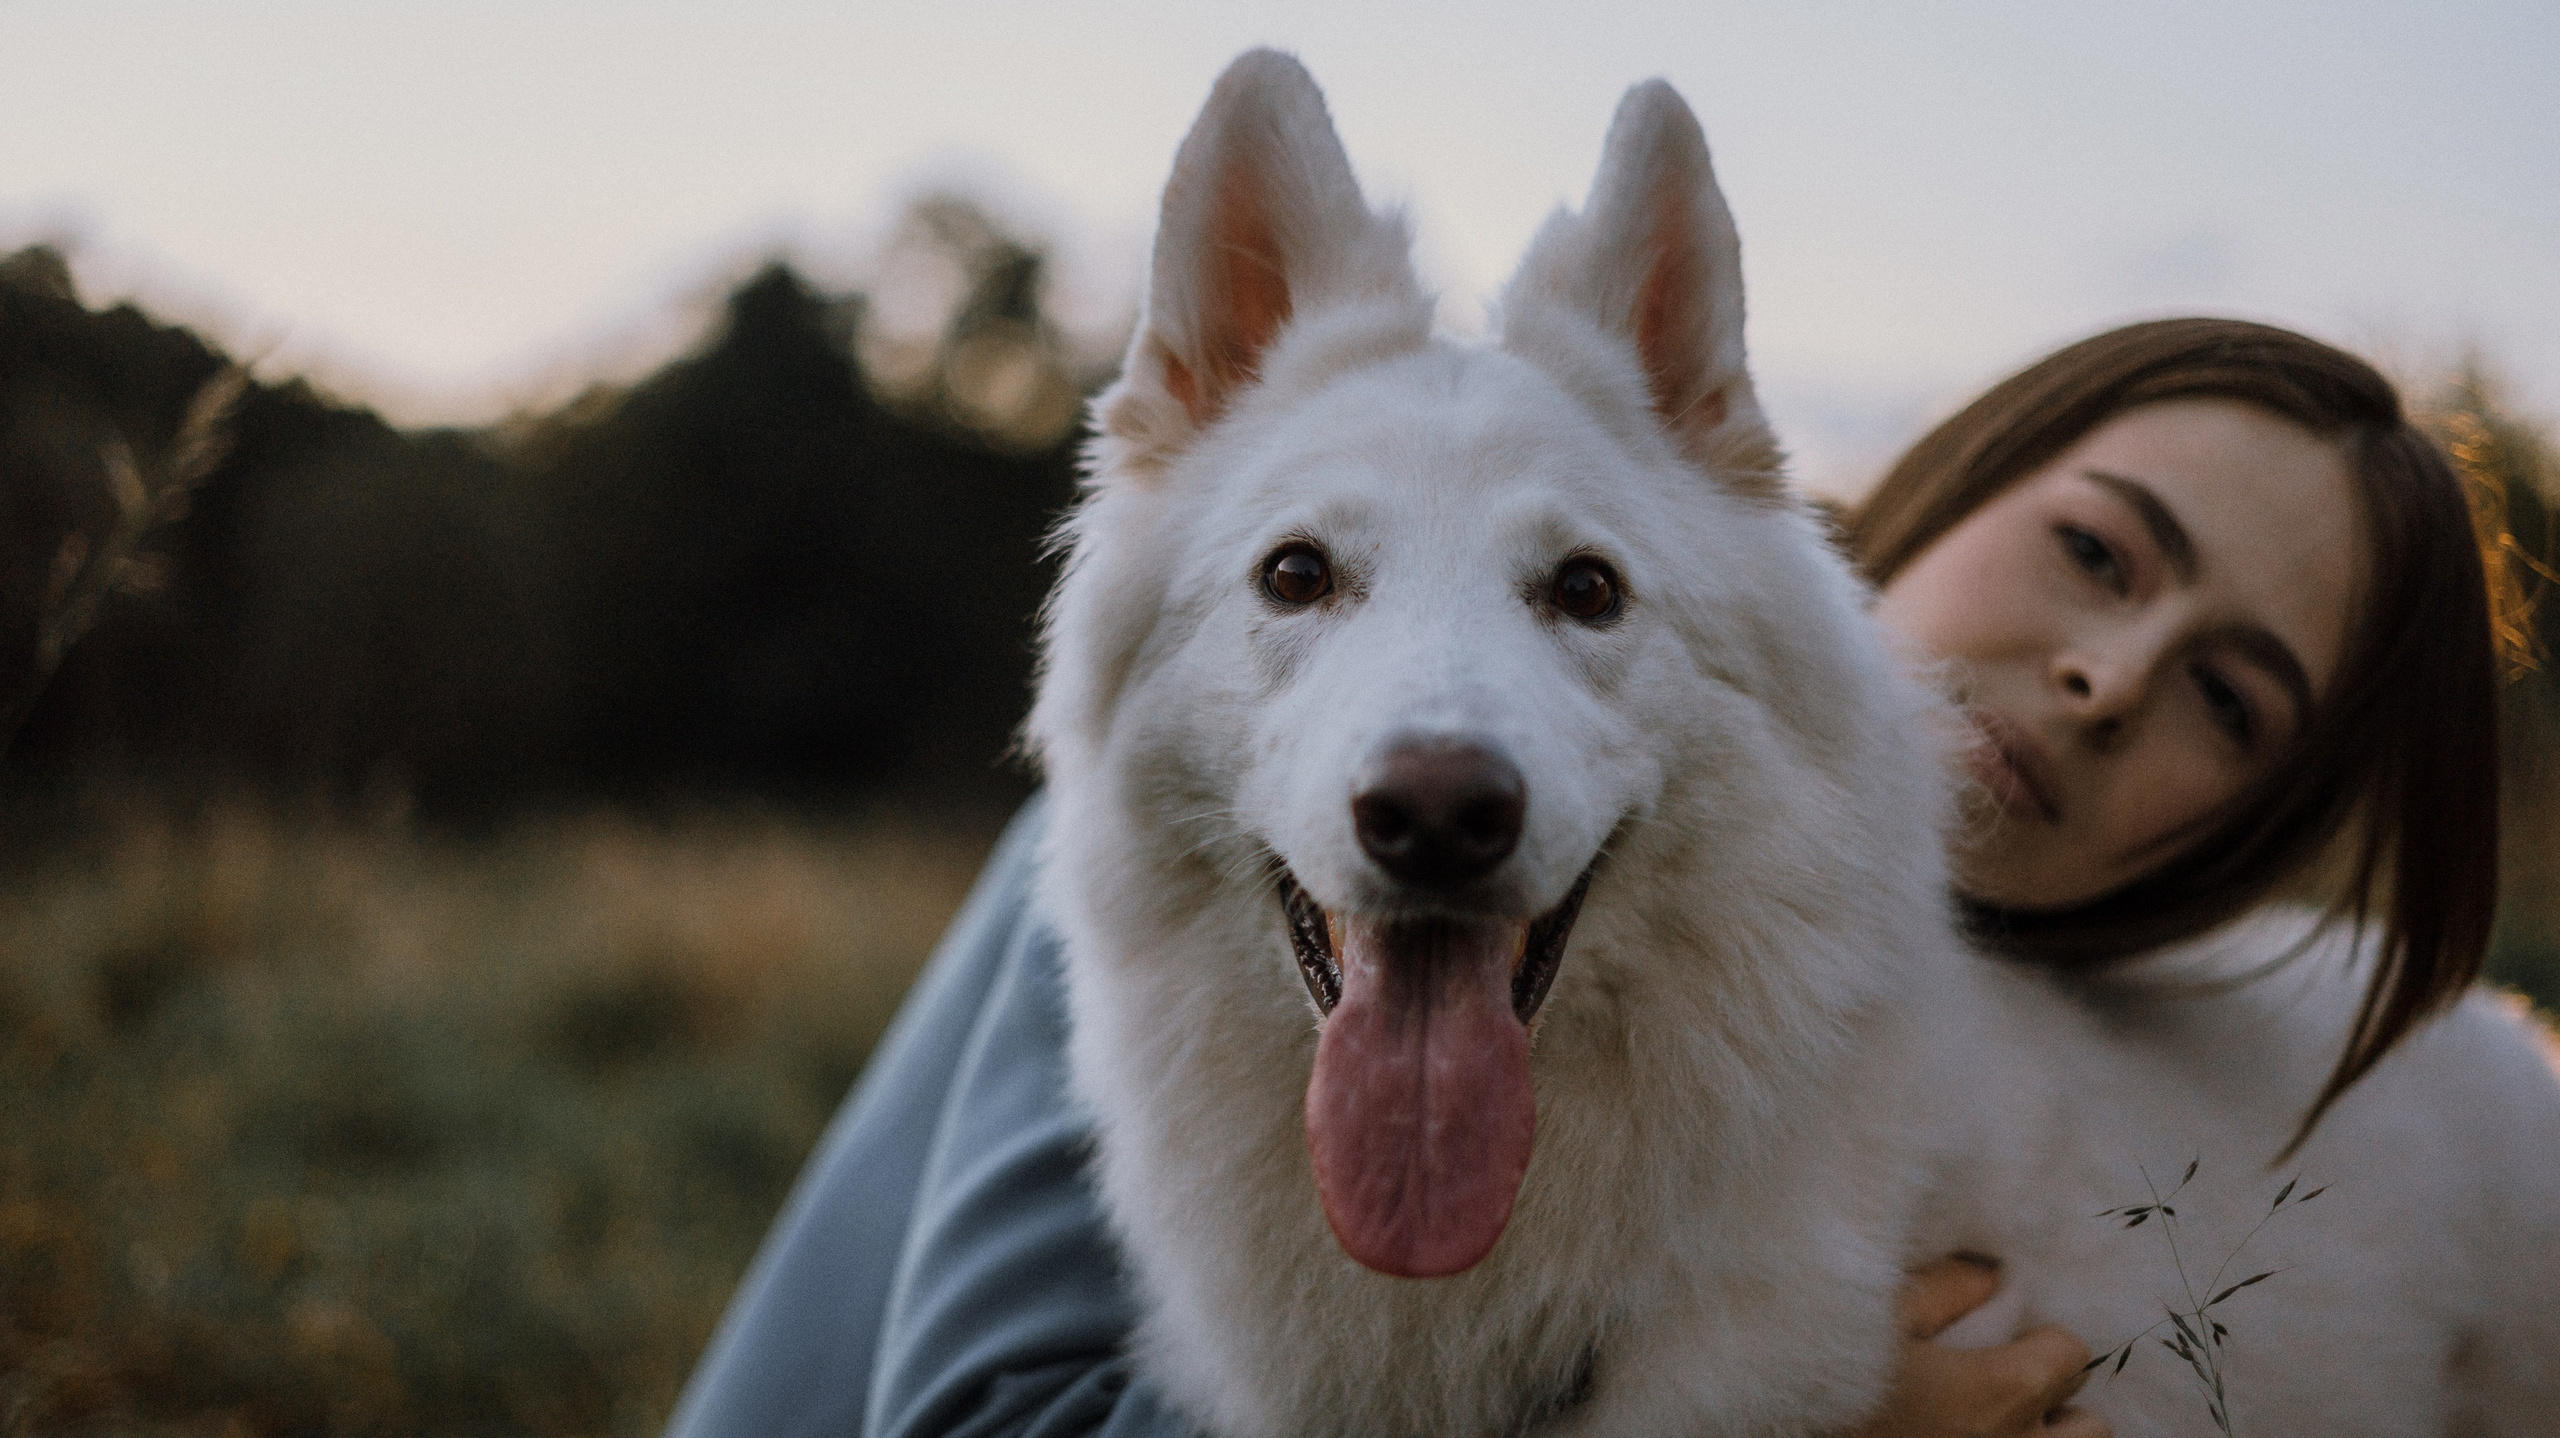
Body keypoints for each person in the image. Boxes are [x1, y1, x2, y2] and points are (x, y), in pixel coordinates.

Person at [662, 317, 2516, 1438]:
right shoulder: (1219, 854)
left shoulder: (1892, 1030)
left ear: (2253, 826)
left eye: (2226, 696)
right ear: (1953, 481)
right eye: (2101, 552)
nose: (2110, 679)